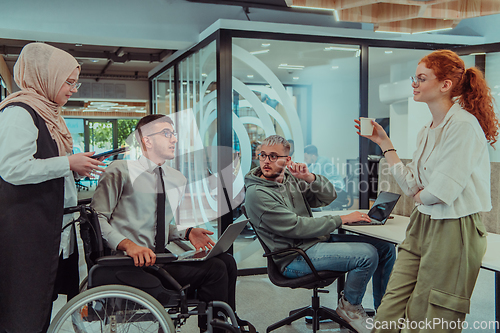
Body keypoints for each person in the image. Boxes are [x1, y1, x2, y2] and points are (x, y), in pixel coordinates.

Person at [357, 49, 498, 333]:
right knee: (390, 307)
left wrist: (422, 195)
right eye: (415, 78)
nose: (414, 84)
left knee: (431, 316)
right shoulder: (427, 129)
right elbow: (412, 185)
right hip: (423, 222)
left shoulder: (463, 126)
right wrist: (385, 144)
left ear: (445, 85)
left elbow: (441, 192)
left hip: (454, 228)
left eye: (421, 78)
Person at [90, 114, 255, 333]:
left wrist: (187, 232)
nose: (174, 139)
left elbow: (157, 226)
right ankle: (219, 329)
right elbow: (96, 219)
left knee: (227, 261)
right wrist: (128, 245)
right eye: (166, 133)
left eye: (174, 134)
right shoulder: (120, 171)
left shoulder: (176, 178)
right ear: (146, 140)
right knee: (215, 269)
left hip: (159, 259)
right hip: (129, 262)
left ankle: (225, 322)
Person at [0, 43, 106, 333]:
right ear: (44, 75)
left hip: (47, 229)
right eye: (68, 81)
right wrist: (68, 163)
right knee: (22, 313)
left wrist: (71, 165)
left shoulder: (49, 114)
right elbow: (12, 168)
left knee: (38, 308)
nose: (74, 89)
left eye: (76, 82)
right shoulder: (20, 112)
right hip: (25, 233)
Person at [244, 135, 396, 333]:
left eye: (273, 156)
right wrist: (341, 219)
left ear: (287, 160)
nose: (266, 161)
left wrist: (310, 178)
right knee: (366, 255)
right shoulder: (257, 193)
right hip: (294, 257)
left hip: (313, 243)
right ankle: (350, 308)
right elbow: (297, 227)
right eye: (263, 155)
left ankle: (383, 314)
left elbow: (329, 196)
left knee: (384, 247)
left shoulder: (289, 180)